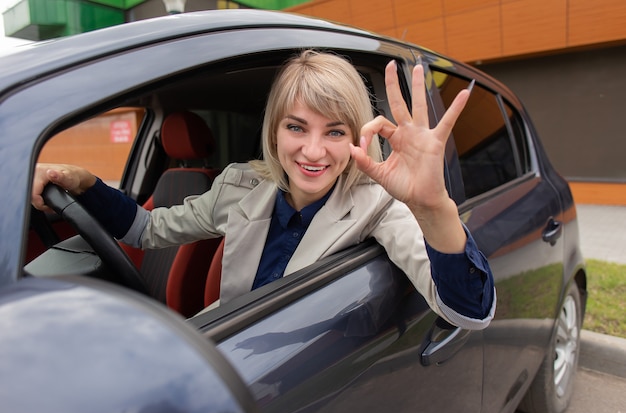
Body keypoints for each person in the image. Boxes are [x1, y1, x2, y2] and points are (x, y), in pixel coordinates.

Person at [32, 50, 495, 329]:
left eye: (335, 132)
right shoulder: (241, 185)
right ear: (275, 131)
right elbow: (146, 230)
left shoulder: (379, 206)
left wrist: (432, 205)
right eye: (297, 127)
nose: (313, 151)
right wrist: (86, 182)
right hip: (224, 348)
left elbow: (467, 312)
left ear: (357, 138)